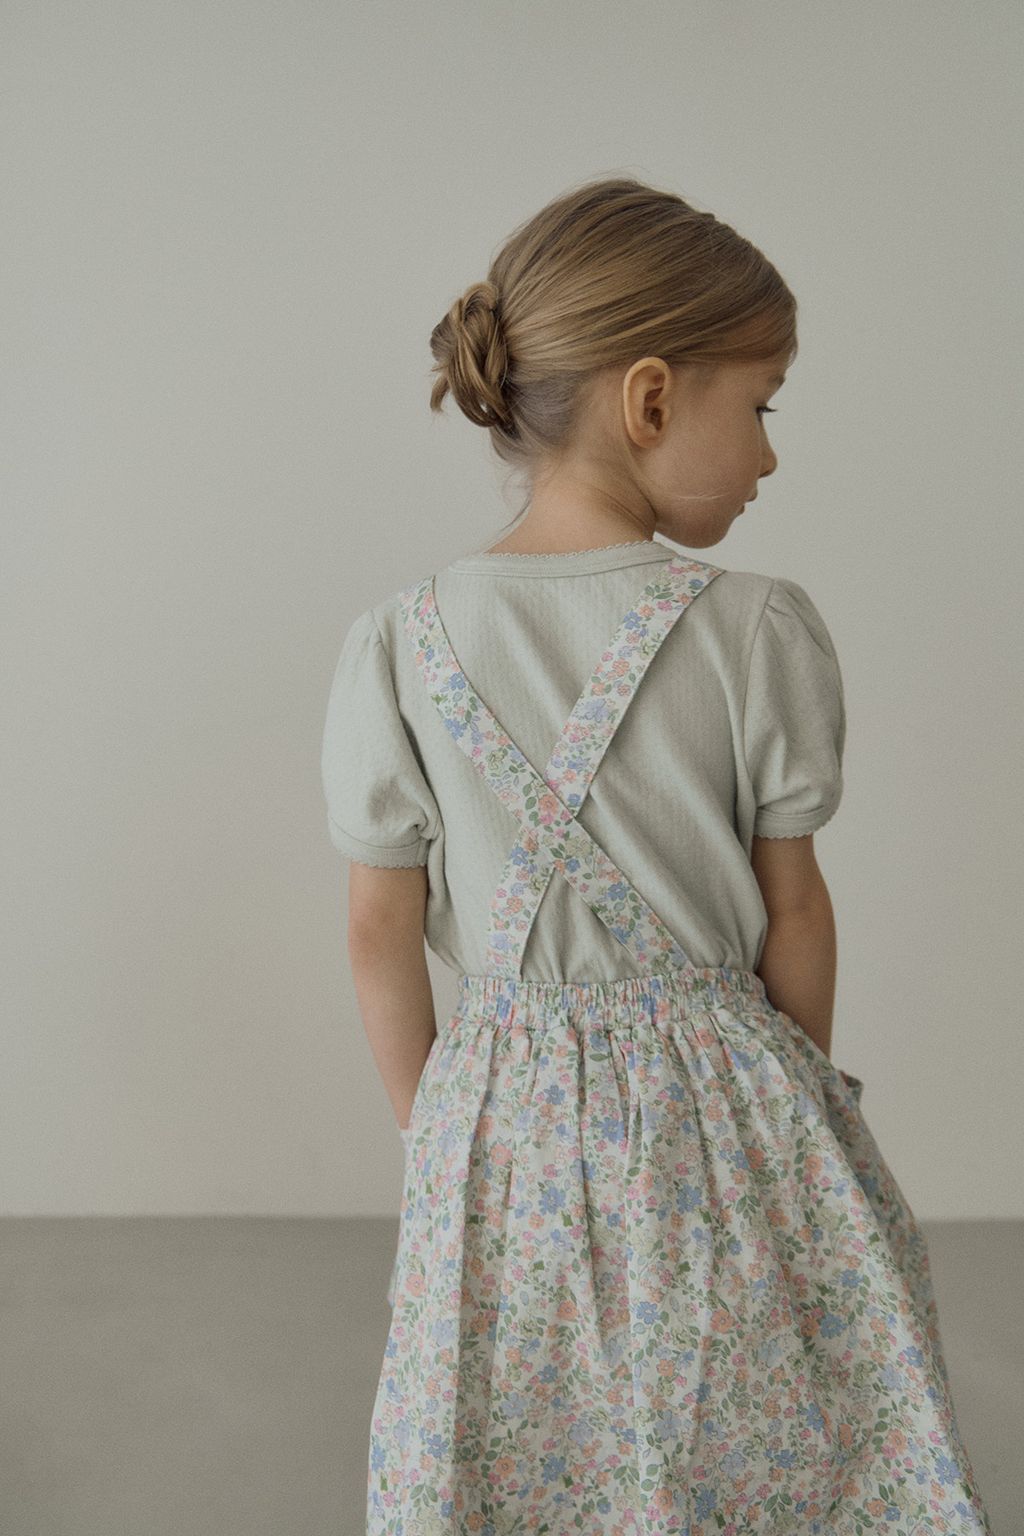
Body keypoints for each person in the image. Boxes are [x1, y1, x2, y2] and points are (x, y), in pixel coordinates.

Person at [321, 175, 992, 1535]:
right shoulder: (756, 629)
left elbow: (377, 930)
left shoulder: (399, 642)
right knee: (764, 1421)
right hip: (727, 1104)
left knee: (509, 1427)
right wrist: (802, 1104)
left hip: (501, 1113)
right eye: (763, 406)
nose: (769, 456)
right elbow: (794, 908)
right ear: (649, 400)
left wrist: (435, 1132)